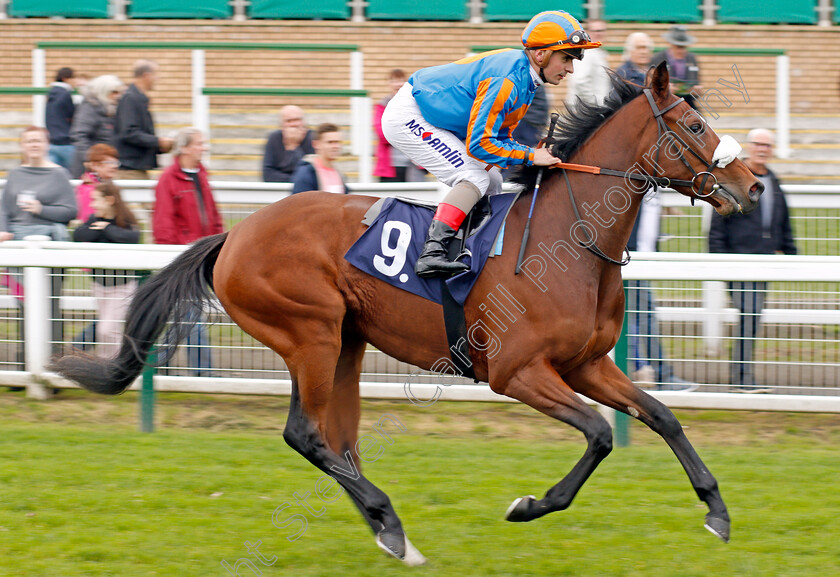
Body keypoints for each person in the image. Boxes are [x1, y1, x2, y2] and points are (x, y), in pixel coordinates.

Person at [382, 11, 599, 278]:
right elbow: (480, 145)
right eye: (566, 58)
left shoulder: (526, 80)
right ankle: (432, 252)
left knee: (494, 181)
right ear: (541, 54)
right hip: (409, 116)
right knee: (474, 176)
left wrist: (535, 153)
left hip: (436, 118)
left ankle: (470, 250)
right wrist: (531, 156)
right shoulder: (507, 80)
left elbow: (500, 140)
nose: (570, 69)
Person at [708, 129, 796, 392]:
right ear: (750, 146)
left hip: (764, 263)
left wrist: (793, 257)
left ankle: (742, 375)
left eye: (767, 145)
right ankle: (742, 378)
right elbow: (717, 225)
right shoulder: (735, 179)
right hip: (738, 262)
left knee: (752, 317)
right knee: (750, 314)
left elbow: (783, 222)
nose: (762, 149)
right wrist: (719, 261)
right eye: (757, 144)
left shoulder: (775, 182)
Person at [153, 128, 223, 376]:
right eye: (199, 144)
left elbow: (212, 213)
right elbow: (163, 223)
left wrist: (218, 243)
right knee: (191, 313)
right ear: (185, 148)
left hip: (202, 255)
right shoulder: (168, 180)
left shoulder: (201, 175)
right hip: (184, 259)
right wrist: (174, 258)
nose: (203, 148)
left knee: (185, 315)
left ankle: (159, 365)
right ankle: (204, 372)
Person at [627, 191, 698, 392]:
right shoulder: (637, 181)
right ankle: (656, 373)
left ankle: (650, 371)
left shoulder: (652, 186)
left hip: (642, 262)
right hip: (630, 260)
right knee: (638, 318)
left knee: (640, 318)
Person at [72, 183, 140, 358]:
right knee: (108, 330)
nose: (92, 204)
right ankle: (109, 369)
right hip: (100, 286)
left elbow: (132, 238)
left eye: (96, 200)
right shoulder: (94, 219)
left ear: (109, 200)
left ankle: (114, 370)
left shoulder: (125, 221)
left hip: (122, 287)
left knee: (107, 329)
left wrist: (106, 229)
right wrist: (102, 229)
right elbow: (79, 235)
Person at [0, 126, 76, 243]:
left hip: (49, 236)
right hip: (16, 235)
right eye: (29, 141)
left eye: (38, 141)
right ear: (22, 146)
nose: (34, 145)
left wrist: (41, 209)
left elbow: (70, 212)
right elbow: (4, 210)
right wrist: (3, 231)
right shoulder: (15, 174)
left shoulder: (59, 174)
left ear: (47, 144)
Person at [115, 60, 173, 179]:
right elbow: (129, 132)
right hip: (129, 170)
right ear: (146, 75)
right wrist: (158, 142)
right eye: (155, 75)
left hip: (136, 167)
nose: (157, 79)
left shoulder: (138, 98)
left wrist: (159, 146)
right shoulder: (131, 98)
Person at [69, 74, 125, 178]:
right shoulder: (89, 108)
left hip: (102, 168)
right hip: (90, 170)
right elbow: (79, 135)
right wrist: (92, 161)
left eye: (119, 92)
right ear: (104, 91)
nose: (117, 95)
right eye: (114, 92)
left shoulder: (108, 109)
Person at [374, 69, 424, 183]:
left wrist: (397, 129)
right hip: (390, 166)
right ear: (388, 83)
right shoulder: (382, 105)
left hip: (414, 165)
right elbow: (382, 133)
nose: (398, 84)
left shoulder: (416, 104)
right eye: (394, 80)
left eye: (401, 80)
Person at [650, 25, 702, 110]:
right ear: (671, 44)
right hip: (664, 104)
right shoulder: (657, 59)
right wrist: (664, 89)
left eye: (683, 47)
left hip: (686, 102)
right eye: (678, 46)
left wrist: (696, 90)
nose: (681, 50)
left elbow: (696, 84)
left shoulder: (692, 59)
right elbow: (650, 86)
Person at [291, 123, 350, 194]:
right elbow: (299, 203)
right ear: (316, 144)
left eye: (337, 142)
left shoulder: (339, 174)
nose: (335, 146)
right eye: (330, 142)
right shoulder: (306, 173)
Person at [564, 19, 611, 108]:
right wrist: (595, 104)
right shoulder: (586, 53)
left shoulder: (598, 53)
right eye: (596, 31)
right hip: (584, 109)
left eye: (602, 30)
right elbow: (579, 81)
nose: (599, 34)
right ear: (588, 32)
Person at [262, 105, 316, 182]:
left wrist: (294, 146)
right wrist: (291, 146)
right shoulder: (274, 138)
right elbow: (268, 175)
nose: (293, 124)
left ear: (303, 122)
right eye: (289, 121)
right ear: (281, 125)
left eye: (297, 120)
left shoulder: (313, 138)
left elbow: (309, 175)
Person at [75, 143, 121, 224]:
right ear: (95, 165)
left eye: (116, 163)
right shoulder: (88, 189)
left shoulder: (106, 185)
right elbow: (87, 220)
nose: (114, 166)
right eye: (109, 163)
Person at [45, 67, 78, 170]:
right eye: (73, 78)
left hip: (53, 140)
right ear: (66, 78)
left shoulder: (51, 94)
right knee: (73, 174)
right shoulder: (65, 94)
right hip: (65, 141)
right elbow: (72, 115)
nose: (75, 81)